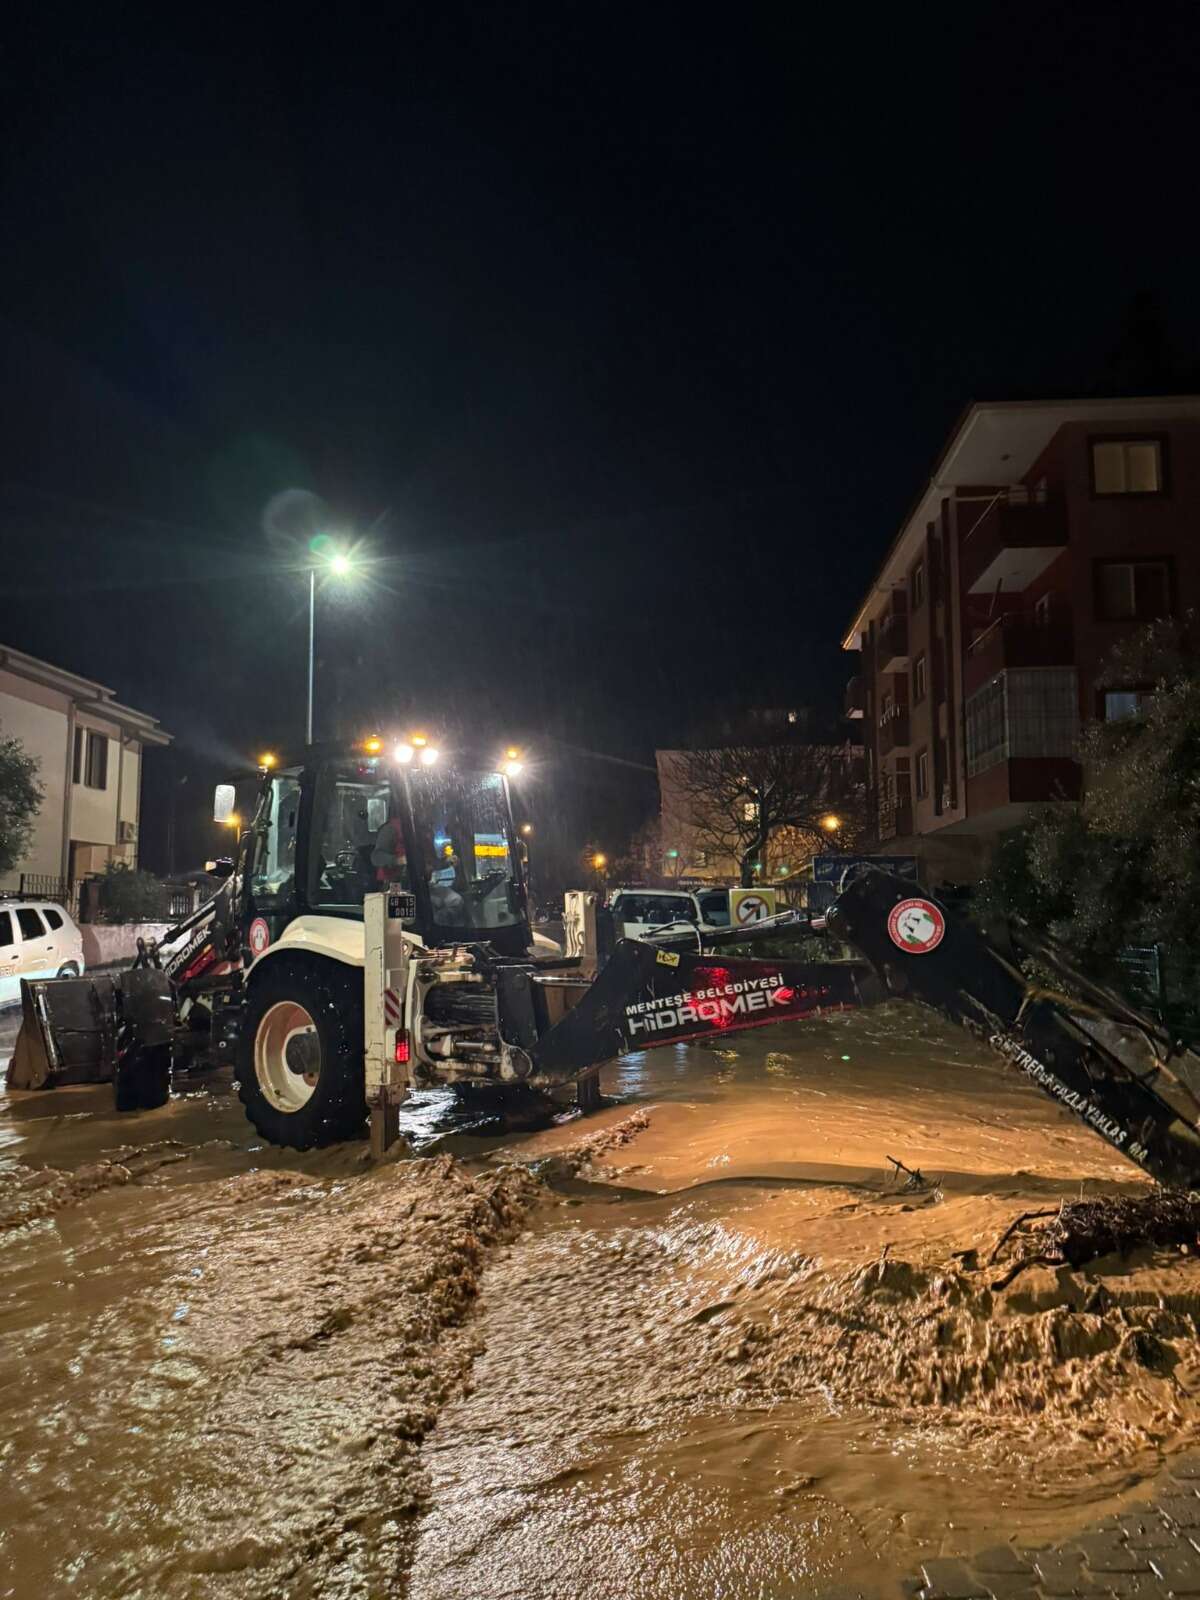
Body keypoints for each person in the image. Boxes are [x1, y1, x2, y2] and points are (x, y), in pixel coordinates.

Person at [370, 816, 409, 886]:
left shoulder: (423, 830)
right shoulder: (390, 829)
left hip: (421, 887)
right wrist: (399, 860)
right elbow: (376, 857)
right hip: (393, 886)